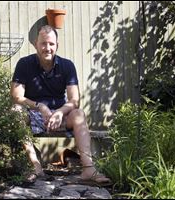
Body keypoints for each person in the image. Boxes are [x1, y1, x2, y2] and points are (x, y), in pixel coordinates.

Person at [10, 25, 111, 184]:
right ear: (36, 44)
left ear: (57, 45)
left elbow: (74, 100)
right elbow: (17, 96)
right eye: (43, 43)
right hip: (34, 115)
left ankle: (89, 169)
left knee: (79, 114)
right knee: (15, 111)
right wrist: (40, 106)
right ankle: (35, 166)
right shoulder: (24, 64)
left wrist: (59, 112)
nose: (47, 48)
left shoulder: (67, 66)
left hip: (60, 117)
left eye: (51, 44)